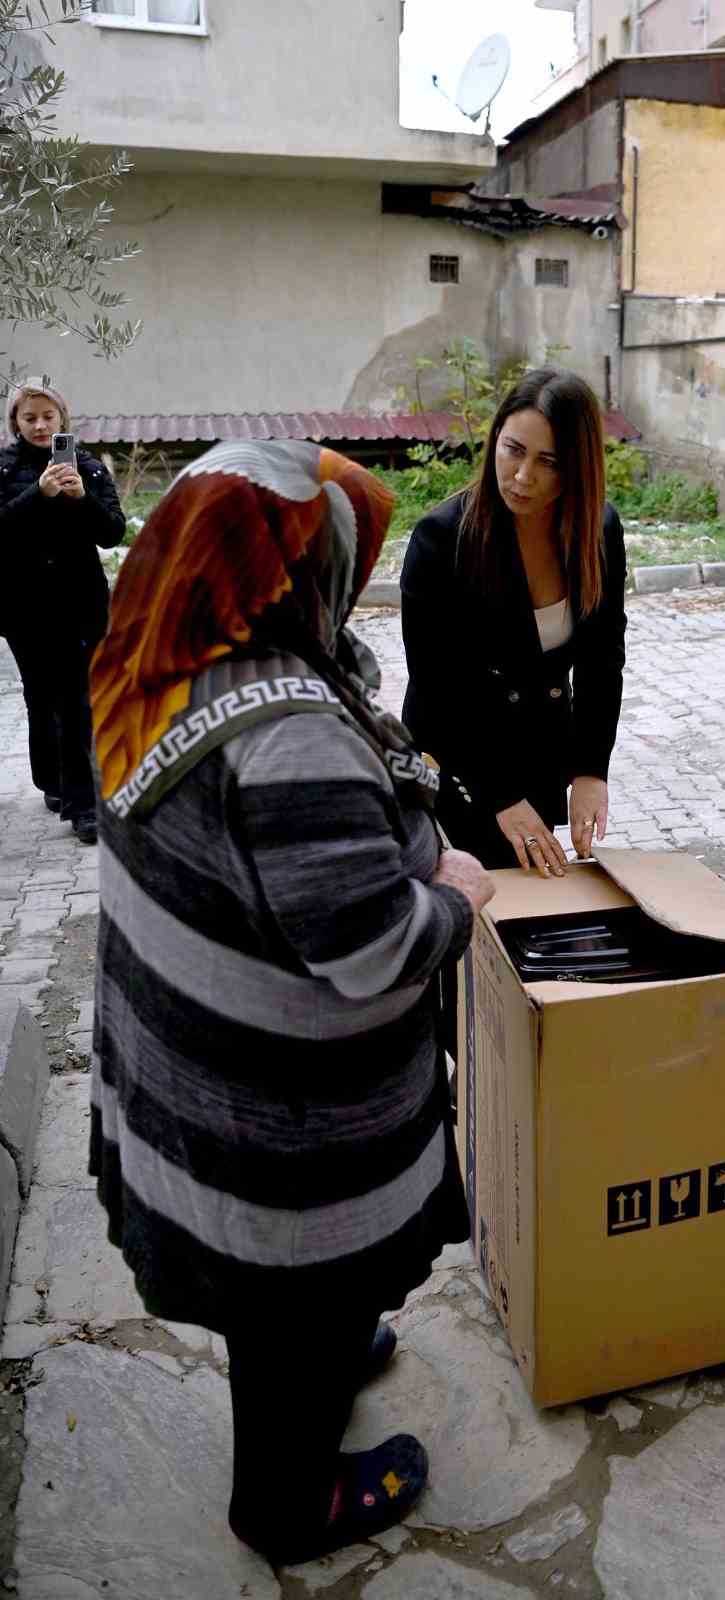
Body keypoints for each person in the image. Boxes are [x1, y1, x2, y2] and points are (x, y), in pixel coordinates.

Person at [88, 440, 494, 1566]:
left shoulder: (157, 656)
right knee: (292, 1300)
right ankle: (289, 1503)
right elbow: (371, 948)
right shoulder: (286, 735)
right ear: (285, 573)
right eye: (331, 559)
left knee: (287, 1311)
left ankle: (316, 1349)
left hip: (197, 1081)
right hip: (281, 1135)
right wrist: (454, 894)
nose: (345, 583)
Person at [400, 367, 627, 877]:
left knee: (534, 914)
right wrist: (498, 795)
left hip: (539, 757)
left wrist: (591, 769)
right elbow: (436, 688)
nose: (523, 476)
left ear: (577, 469)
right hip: (454, 761)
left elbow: (601, 659)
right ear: (494, 442)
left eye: (548, 461)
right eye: (513, 450)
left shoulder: (599, 532)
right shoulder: (440, 540)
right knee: (463, 922)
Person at [0, 380, 125, 843]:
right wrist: (38, 493)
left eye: (47, 417)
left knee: (78, 700)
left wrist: (80, 499)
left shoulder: (87, 469)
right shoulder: (4, 467)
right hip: (22, 604)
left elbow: (112, 531)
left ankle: (83, 805)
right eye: (29, 417)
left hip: (80, 602)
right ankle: (52, 781)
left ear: (62, 420)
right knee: (40, 695)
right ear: (16, 421)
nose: (39, 425)